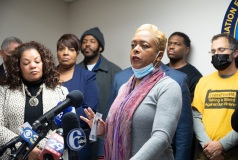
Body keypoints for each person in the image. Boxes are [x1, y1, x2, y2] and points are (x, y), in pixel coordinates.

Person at [81, 24, 182, 160]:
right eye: (133, 45)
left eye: (144, 46)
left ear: (159, 55)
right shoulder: (125, 88)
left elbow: (161, 138)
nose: (136, 49)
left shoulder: (168, 87)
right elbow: (124, 134)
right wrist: (103, 131)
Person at [0, 41, 68, 160]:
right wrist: (26, 149)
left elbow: (66, 127)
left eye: (37, 61)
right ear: (18, 67)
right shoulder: (4, 91)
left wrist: (42, 150)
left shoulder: (61, 92)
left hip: (48, 156)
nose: (33, 65)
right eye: (26, 63)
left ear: (44, 63)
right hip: (14, 155)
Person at [192, 33, 238, 160]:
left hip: (235, 152)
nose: (216, 54)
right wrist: (208, 146)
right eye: (213, 51)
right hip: (206, 151)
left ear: (235, 53)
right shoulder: (203, 81)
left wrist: (222, 145)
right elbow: (196, 116)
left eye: (221, 50)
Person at [78, 27, 122, 159]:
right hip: (78, 138)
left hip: (104, 140)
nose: (87, 44)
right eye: (84, 41)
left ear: (100, 47)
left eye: (92, 41)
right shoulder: (75, 70)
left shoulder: (115, 72)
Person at [56, 33, 99, 159]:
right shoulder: (47, 77)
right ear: (57, 52)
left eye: (71, 49)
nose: (65, 53)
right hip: (50, 139)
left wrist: (60, 119)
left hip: (78, 139)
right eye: (61, 49)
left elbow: (89, 109)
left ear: (77, 54)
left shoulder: (87, 77)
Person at [167, 32, 202, 101]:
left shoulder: (194, 76)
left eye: (177, 44)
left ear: (186, 50)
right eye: (169, 44)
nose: (171, 47)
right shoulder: (159, 70)